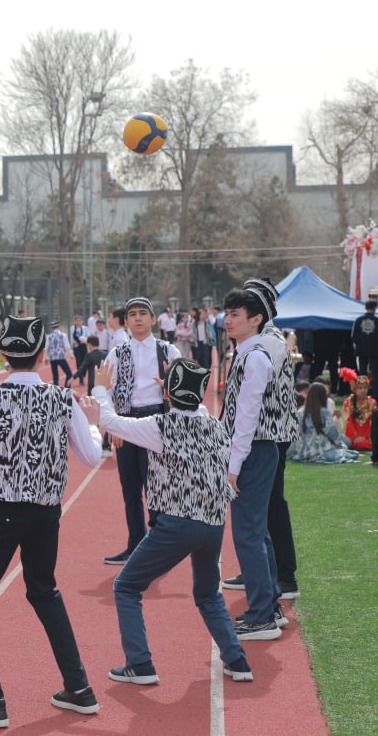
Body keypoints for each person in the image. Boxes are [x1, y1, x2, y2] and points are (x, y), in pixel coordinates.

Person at [0, 316, 102, 728]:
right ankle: (79, 688)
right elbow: (91, 457)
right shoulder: (63, 398)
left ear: (3, 355)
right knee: (44, 592)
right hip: (46, 513)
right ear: (42, 356)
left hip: (1, 511)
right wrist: (93, 424)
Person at [82, 358, 254, 687]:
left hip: (177, 523)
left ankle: (140, 664)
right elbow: (191, 412)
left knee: (126, 587)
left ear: (166, 393)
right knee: (208, 595)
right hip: (213, 523)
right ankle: (237, 661)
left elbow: (110, 421)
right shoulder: (216, 426)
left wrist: (101, 389)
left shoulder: (159, 426)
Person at [220, 280, 293, 641]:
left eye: (235, 314)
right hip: (256, 449)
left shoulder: (257, 356)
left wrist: (233, 467)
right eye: (227, 313)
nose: (228, 320)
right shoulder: (249, 353)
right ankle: (270, 605)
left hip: (255, 450)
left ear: (256, 319)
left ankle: (261, 615)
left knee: (248, 534)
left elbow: (247, 416)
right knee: (258, 532)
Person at [101, 298, 181, 565]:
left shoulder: (168, 351)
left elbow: (185, 391)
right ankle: (135, 545)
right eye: (132, 314)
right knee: (130, 489)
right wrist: (113, 425)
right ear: (125, 321)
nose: (138, 318)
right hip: (126, 422)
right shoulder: (116, 353)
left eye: (143, 313)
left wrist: (169, 389)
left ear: (153, 319)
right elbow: (106, 390)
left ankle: (158, 547)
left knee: (156, 486)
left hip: (156, 421)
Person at [288, 382, 359, 464]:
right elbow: (333, 434)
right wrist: (342, 446)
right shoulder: (323, 413)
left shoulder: (299, 413)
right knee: (349, 447)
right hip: (321, 450)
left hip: (302, 452)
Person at [351, 300, 378, 383]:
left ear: (365, 308)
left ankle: (362, 389)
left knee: (362, 372)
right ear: (375, 308)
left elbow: (354, 336)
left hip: (361, 350)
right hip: (375, 350)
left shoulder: (358, 320)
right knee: (376, 373)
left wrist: (360, 345)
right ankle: (376, 390)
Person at [341, 374, 375, 452]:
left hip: (368, 436)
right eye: (360, 388)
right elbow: (348, 422)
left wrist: (365, 436)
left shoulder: (372, 402)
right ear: (354, 389)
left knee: (362, 443)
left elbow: (373, 423)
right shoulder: (348, 402)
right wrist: (356, 436)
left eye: (365, 387)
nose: (363, 390)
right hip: (352, 437)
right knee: (357, 443)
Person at [45, 321, 73, 388]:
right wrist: (70, 354)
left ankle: (55, 391)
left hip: (52, 358)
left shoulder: (49, 336)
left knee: (55, 376)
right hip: (61, 357)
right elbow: (67, 346)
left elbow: (46, 348)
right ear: (59, 326)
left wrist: (46, 357)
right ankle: (66, 388)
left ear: (52, 328)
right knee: (69, 374)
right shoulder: (63, 335)